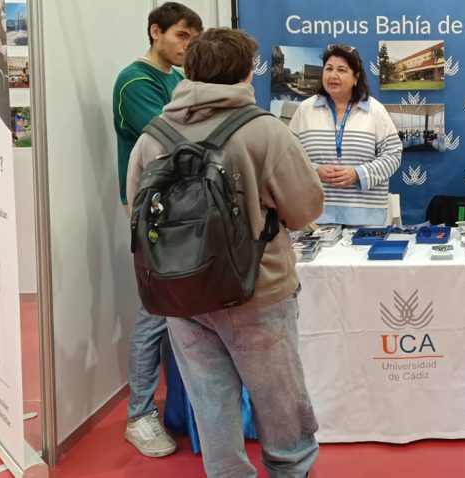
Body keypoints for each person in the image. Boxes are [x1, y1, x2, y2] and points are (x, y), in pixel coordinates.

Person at [127, 28, 324, 477]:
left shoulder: (152, 136)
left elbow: (135, 214)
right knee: (280, 404)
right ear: (245, 73)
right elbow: (305, 209)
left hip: (181, 296)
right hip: (258, 291)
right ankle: (291, 470)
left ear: (189, 71)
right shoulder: (264, 131)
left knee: (211, 405)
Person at [110, 2, 202, 457]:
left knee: (178, 315)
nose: (187, 46)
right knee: (154, 314)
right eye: (181, 35)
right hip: (155, 216)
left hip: (185, 212)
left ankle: (178, 409)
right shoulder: (135, 81)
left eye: (193, 39)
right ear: (155, 31)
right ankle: (139, 415)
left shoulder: (176, 78)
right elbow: (177, 138)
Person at [288, 44, 402, 226]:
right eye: (329, 69)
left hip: (365, 221)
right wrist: (313, 170)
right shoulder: (305, 109)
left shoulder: (375, 110)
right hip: (313, 220)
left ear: (356, 77)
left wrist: (358, 174)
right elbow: (287, 156)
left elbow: (393, 155)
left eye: (341, 70)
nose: (333, 75)